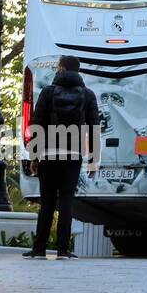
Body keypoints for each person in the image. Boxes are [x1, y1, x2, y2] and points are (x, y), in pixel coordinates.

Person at [24, 56, 99, 260]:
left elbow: (37, 123)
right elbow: (93, 129)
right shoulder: (87, 94)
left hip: (48, 153)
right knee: (66, 200)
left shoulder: (48, 92)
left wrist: (34, 157)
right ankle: (63, 250)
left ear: (62, 68)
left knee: (47, 202)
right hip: (73, 154)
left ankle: (39, 249)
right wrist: (93, 159)